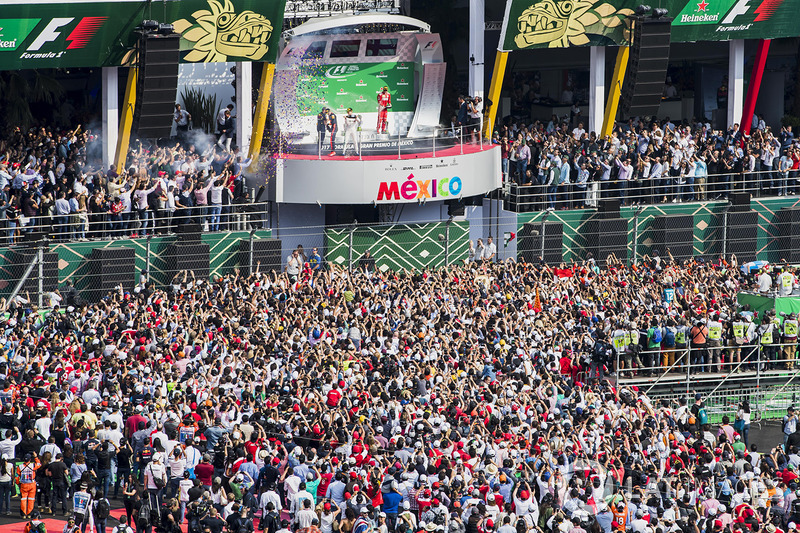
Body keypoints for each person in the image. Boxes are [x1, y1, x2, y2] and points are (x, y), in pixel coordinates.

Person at [17, 452, 39, 519]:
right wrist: (36, 457)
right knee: (31, 499)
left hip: (23, 484)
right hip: (32, 484)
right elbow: (39, 464)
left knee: (23, 499)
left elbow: (17, 476)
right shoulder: (33, 465)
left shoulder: (19, 466)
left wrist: (18, 483)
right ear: (30, 459)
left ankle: (23, 514)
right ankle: (29, 514)